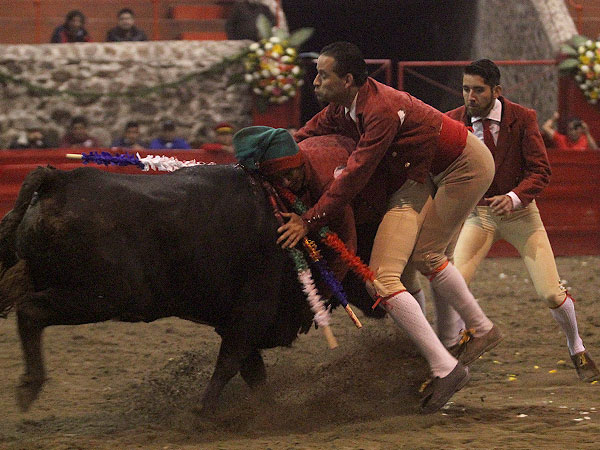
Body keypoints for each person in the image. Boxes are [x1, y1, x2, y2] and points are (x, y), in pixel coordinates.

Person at [279, 41, 502, 413]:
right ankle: (445, 347)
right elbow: (302, 136)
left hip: (462, 167)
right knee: (420, 262)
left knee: (425, 257)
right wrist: (273, 153)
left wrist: (309, 219)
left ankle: (473, 336)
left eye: (323, 75)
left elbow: (355, 174)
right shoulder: (342, 107)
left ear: (348, 80)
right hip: (426, 174)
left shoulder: (379, 110)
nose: (315, 81)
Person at [439, 59, 599, 382]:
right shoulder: (453, 121)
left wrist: (513, 197)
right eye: (466, 89)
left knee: (551, 294)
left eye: (478, 90)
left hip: (522, 215)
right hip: (479, 215)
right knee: (453, 284)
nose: (470, 97)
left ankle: (577, 346)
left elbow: (541, 171)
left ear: (496, 91)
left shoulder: (523, 118)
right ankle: (454, 350)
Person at [233, 127, 356, 283]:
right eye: (278, 178)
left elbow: (346, 246)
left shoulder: (327, 181)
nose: (286, 183)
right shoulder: (290, 166)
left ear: (300, 163)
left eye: (288, 174)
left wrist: (326, 293)